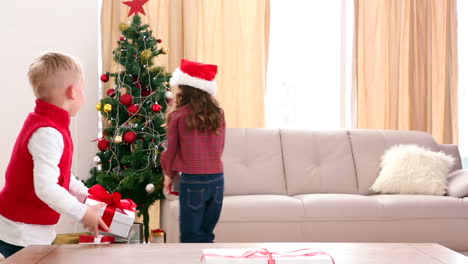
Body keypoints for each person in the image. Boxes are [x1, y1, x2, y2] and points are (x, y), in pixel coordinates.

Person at [0, 52, 109, 258]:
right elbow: (47, 188)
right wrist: (83, 213)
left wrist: (86, 195)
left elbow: (62, 176)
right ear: (73, 92)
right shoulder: (47, 131)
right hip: (22, 232)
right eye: (83, 89)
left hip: (34, 230)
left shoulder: (52, 125)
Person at [161, 59, 226, 243]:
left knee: (191, 237)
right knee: (207, 235)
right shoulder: (218, 114)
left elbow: (171, 151)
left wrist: (168, 175)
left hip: (193, 181)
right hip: (218, 180)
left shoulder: (178, 116)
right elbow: (220, 147)